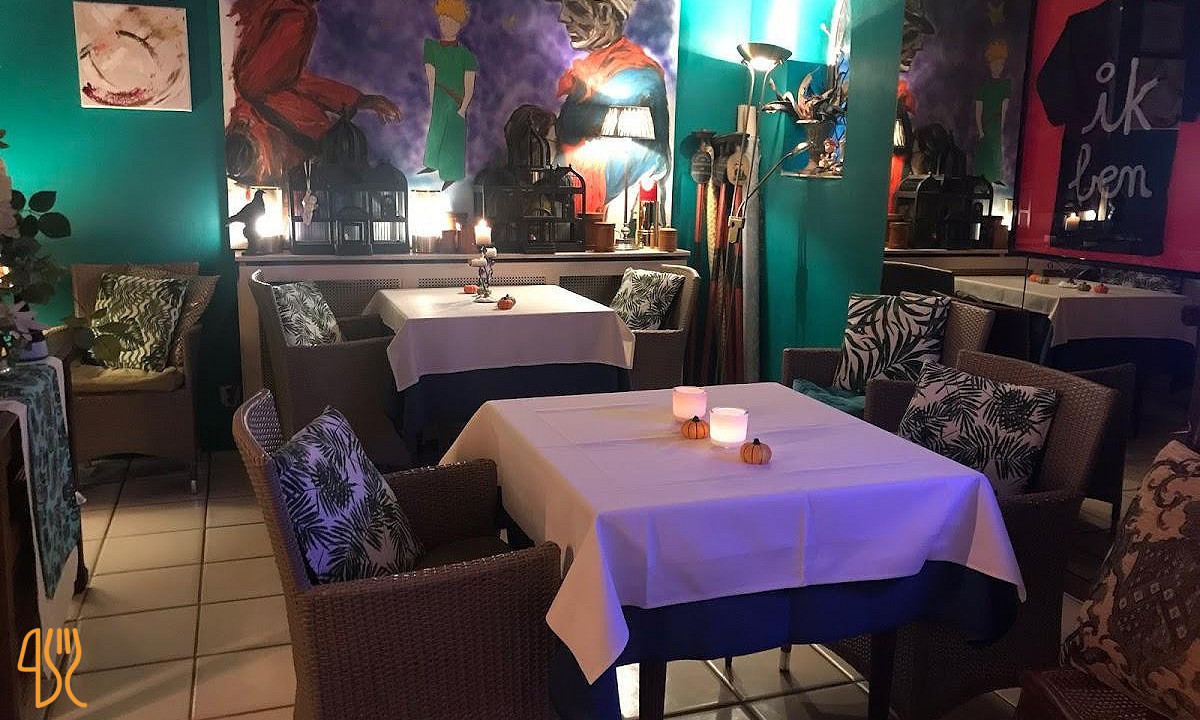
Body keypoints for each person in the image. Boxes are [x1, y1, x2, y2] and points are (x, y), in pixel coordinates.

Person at [225, 0, 402, 186]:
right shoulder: (293, 18)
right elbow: (261, 82)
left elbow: (290, 80)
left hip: (266, 135)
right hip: (264, 137)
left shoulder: (292, 13)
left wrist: (358, 100)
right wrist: (359, 100)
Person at [547, 0, 670, 217]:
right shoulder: (592, 69)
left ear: (604, 13)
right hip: (577, 200)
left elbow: (653, 160)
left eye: (574, 7)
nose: (562, 17)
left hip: (609, 204)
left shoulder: (639, 74)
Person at [422, 0, 477, 188]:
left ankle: (451, 174)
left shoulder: (466, 55)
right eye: (442, 20)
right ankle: (432, 163)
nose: (445, 24)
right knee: (436, 131)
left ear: (459, 23)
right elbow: (431, 76)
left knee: (453, 138)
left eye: (451, 20)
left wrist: (463, 107)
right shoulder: (431, 47)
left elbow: (469, 85)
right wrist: (433, 99)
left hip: (456, 101)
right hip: (440, 98)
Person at [973, 40, 1010, 184]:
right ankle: (984, 177)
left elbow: (1004, 109)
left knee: (996, 150)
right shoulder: (984, 86)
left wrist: (1002, 128)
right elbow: (978, 110)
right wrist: (980, 130)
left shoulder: (1006, 85)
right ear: (990, 64)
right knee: (986, 151)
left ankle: (996, 177)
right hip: (987, 124)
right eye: (996, 64)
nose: (998, 67)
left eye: (1001, 64)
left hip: (996, 124)